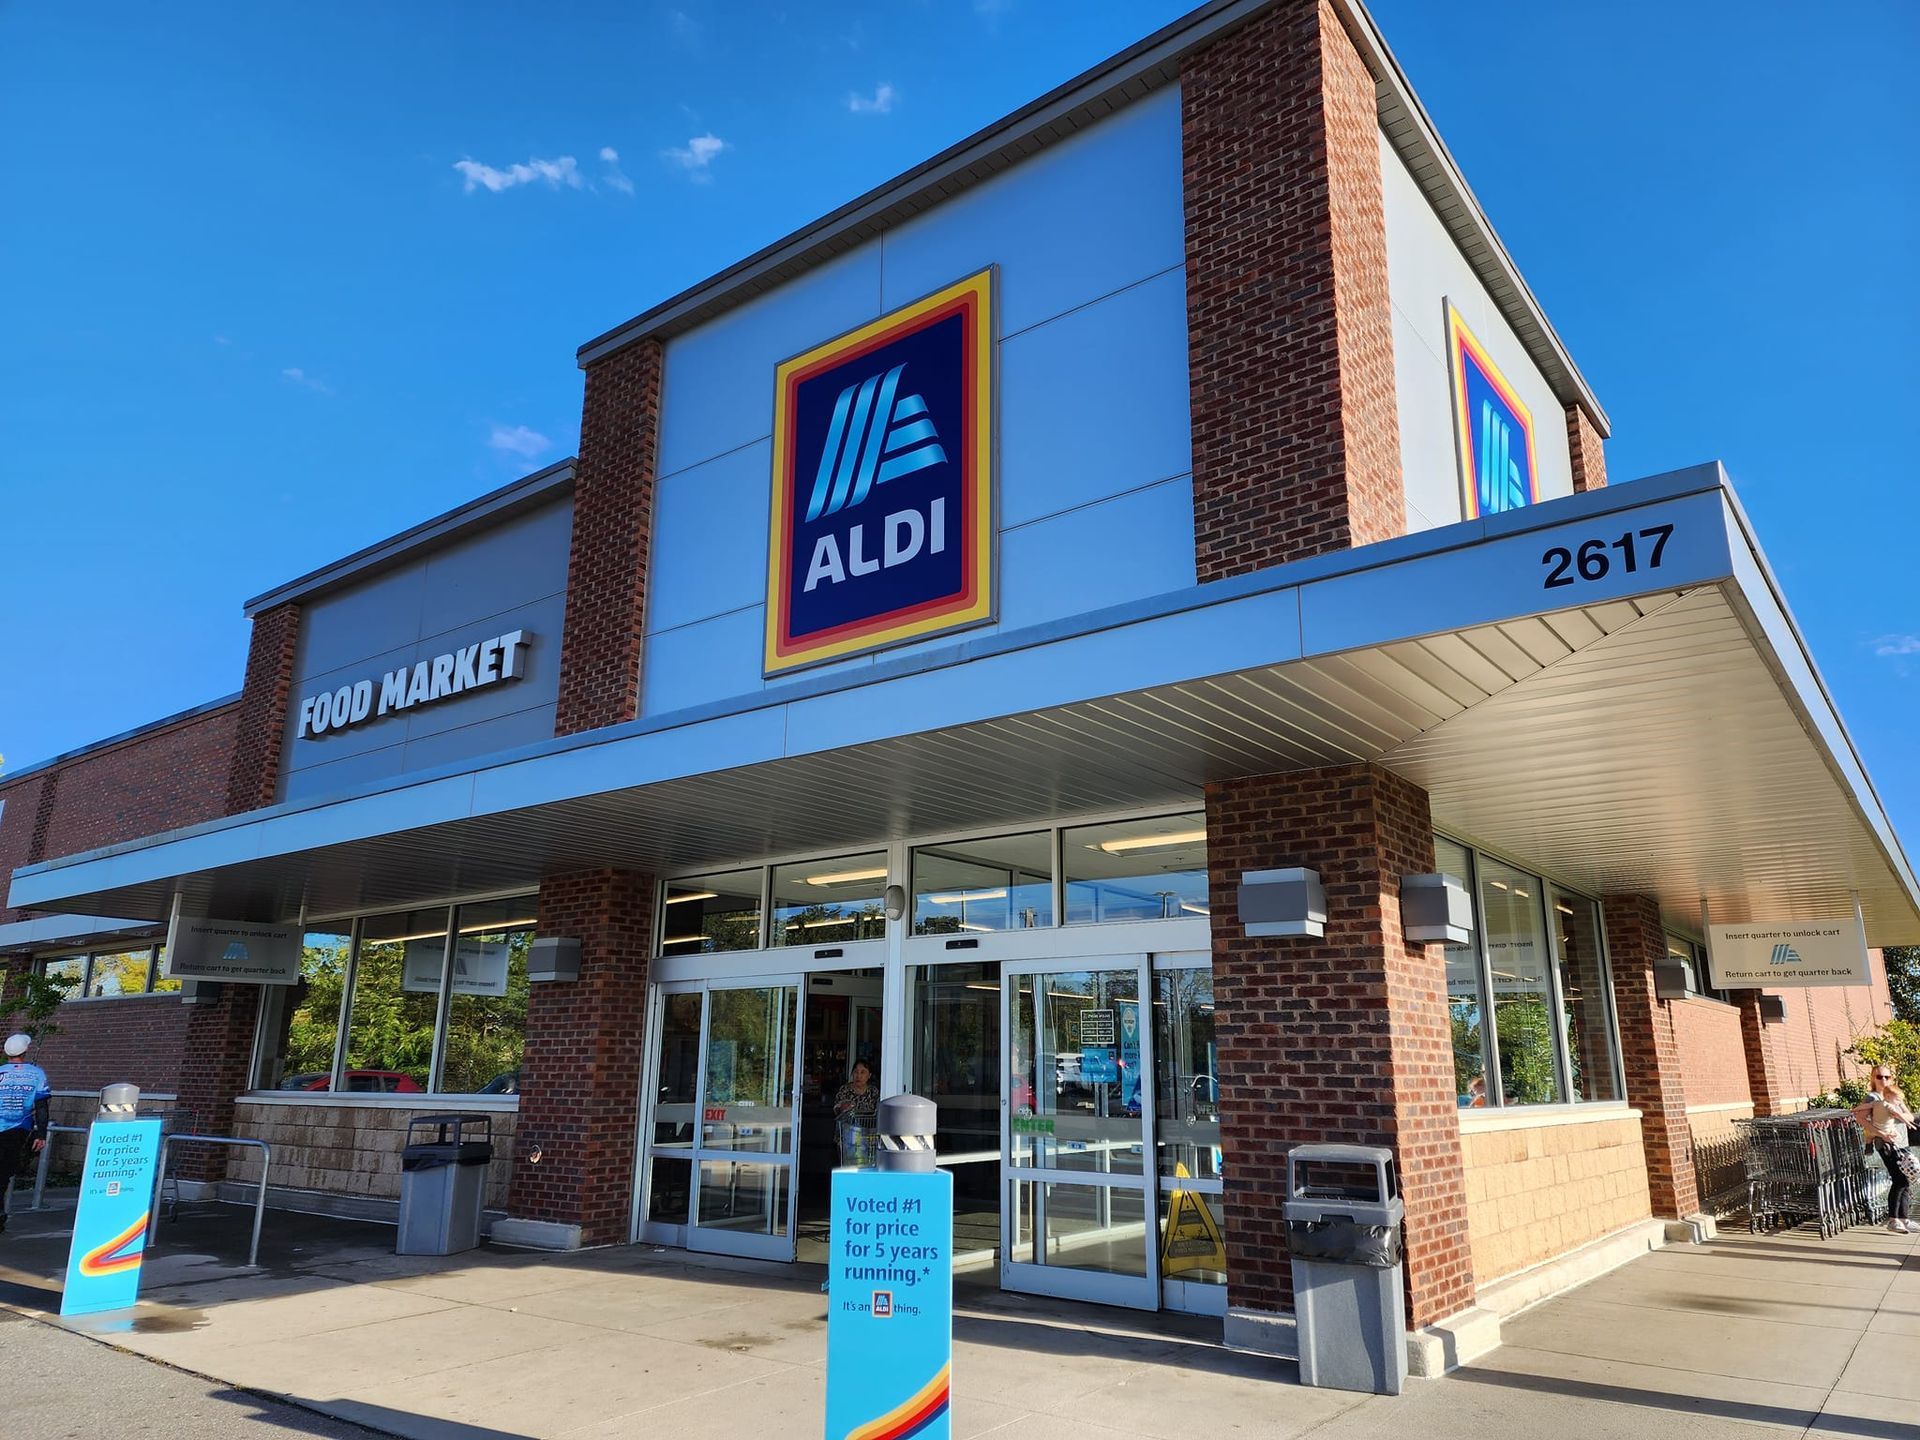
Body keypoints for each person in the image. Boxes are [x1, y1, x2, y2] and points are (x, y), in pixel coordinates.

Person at [1854, 1065, 1917, 1234]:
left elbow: (1909, 1116)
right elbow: (1860, 1118)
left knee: (1906, 1178)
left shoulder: (1893, 1095)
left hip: (1901, 1142)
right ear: (1873, 1079)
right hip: (1886, 1144)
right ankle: (1893, 1219)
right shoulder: (1872, 1098)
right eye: (1879, 1077)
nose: (1883, 1080)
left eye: (1887, 1077)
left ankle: (1903, 1219)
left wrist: (1899, 1114)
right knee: (1899, 1179)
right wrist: (1881, 1133)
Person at [0, 1033, 52, 1233]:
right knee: (4, 1174)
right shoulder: (36, 1074)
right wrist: (41, 1133)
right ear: (25, 1050)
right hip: (18, 1128)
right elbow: (41, 1106)